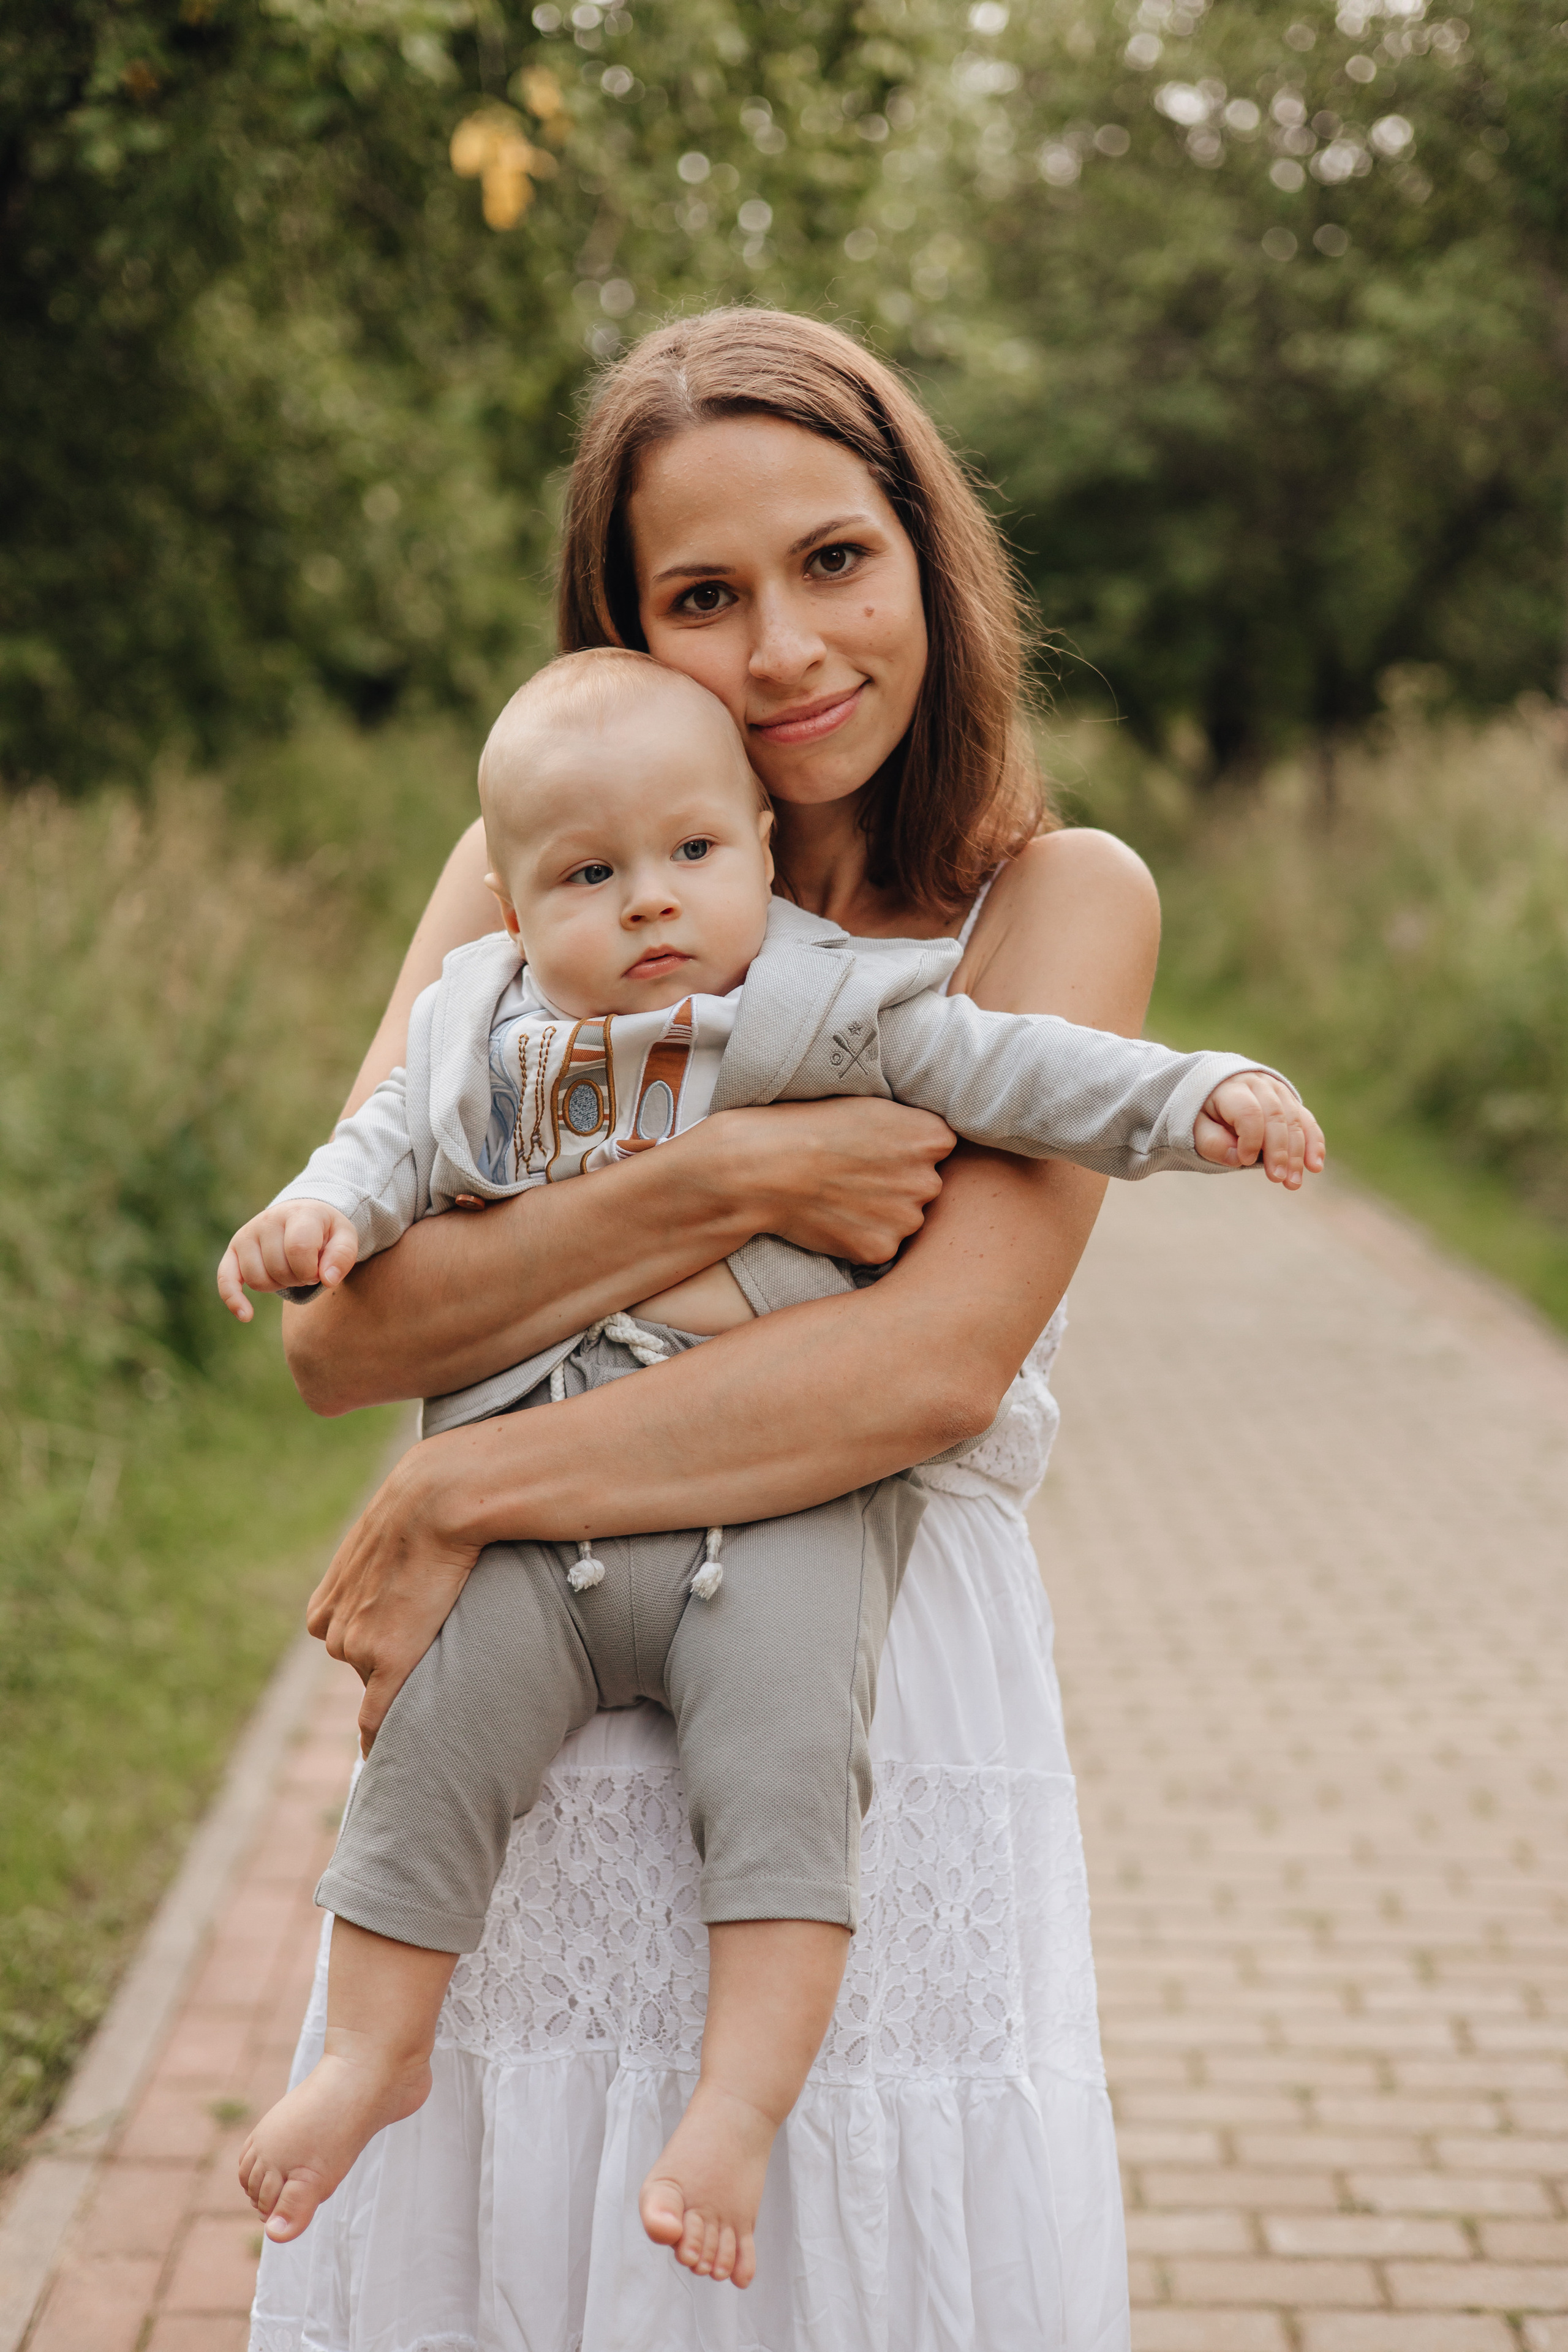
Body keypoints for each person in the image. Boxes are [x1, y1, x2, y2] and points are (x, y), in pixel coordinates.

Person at [250, 306, 1308, 2351]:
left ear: (928, 555)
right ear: (623, 626)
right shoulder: (520, 871)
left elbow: (926, 1371)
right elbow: (342, 1337)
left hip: (871, 1700)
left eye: (838, 560)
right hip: (525, 1734)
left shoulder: (1053, 904)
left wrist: (459, 1486)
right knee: (512, 2221)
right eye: (705, 596)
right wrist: (735, 1181)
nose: (792, 649)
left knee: (839, 2243)